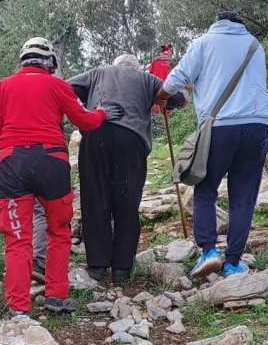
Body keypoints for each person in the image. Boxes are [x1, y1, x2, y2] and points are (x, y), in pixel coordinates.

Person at [0, 36, 124, 315]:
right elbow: (84, 121)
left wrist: (10, 148)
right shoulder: (58, 85)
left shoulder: (3, 86)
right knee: (58, 232)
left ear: (23, 60)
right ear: (50, 62)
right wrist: (103, 114)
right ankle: (56, 297)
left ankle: (18, 309)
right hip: (52, 162)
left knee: (17, 239)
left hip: (13, 165)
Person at [157, 11, 268, 279]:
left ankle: (208, 252)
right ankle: (233, 262)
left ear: (216, 24)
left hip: (220, 128)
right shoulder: (255, 44)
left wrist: (161, 97)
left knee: (206, 188)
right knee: (244, 196)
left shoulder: (204, 43)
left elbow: (175, 81)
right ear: (240, 25)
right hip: (258, 126)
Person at [70, 53, 184, 284]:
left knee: (95, 199)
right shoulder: (147, 79)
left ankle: (97, 266)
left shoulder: (97, 73)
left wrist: (82, 110)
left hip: (95, 134)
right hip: (131, 140)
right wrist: (163, 100)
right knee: (127, 200)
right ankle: (121, 269)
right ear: (136, 67)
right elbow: (177, 97)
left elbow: (64, 88)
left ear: (115, 66)